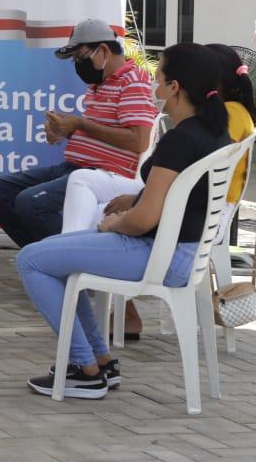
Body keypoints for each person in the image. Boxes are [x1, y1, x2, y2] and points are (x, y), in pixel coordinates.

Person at [16, 43, 231, 400]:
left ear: (175, 87)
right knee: (52, 257)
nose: (155, 87)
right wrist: (135, 200)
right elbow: (180, 195)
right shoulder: (215, 134)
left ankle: (85, 369)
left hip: (159, 253)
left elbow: (144, 219)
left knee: (31, 260)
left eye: (159, 78)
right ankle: (99, 361)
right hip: (186, 253)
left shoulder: (180, 140)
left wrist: (112, 223)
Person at [0, 18, 157, 247]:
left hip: (101, 175)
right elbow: (103, 133)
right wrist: (65, 131)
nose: (78, 65)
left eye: (81, 58)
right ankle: (42, 255)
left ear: (103, 50)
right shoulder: (100, 84)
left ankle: (65, 257)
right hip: (73, 167)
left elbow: (139, 141)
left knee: (30, 202)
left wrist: (80, 125)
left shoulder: (132, 81)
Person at [206, 43, 256, 227]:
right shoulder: (236, 109)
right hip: (218, 202)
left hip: (217, 207)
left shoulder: (231, 113)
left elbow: (216, 159)